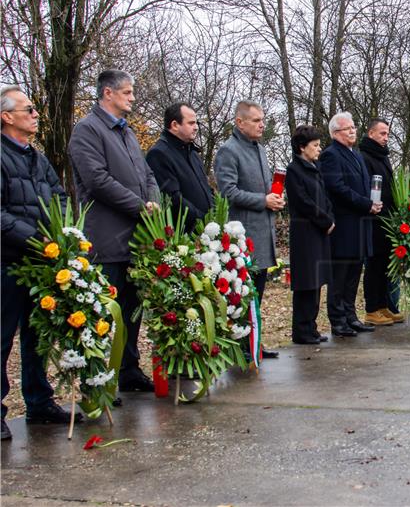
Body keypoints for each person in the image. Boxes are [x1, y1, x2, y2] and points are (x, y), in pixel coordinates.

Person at [68, 70, 160, 393]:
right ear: (107, 93)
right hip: (106, 240)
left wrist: (153, 201)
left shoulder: (128, 134)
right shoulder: (87, 131)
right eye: (127, 92)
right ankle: (100, 379)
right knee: (106, 314)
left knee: (132, 310)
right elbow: (97, 181)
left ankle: (128, 369)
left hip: (135, 240)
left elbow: (146, 174)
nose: (132, 98)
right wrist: (139, 205)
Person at [1, 86, 82, 440]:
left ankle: (38, 402)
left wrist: (62, 233)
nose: (35, 115)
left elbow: (60, 196)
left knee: (38, 336)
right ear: (7, 116)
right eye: (29, 109)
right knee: (2, 337)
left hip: (42, 262)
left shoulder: (37, 157)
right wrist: (37, 238)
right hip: (7, 261)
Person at [213, 100, 282, 359]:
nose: (262, 124)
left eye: (262, 119)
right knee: (242, 295)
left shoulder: (260, 150)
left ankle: (253, 342)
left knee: (257, 293)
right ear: (239, 122)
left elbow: (263, 189)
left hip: (263, 234)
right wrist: (262, 200)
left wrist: (273, 199)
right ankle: (241, 344)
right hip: (243, 237)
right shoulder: (228, 151)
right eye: (255, 120)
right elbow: (228, 192)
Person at [319, 112, 382, 337]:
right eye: (347, 128)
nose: (353, 131)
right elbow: (337, 188)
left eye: (354, 127)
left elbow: (364, 186)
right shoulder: (330, 155)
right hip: (344, 227)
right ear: (336, 133)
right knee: (340, 275)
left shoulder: (355, 154)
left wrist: (373, 203)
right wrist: (366, 204)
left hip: (360, 225)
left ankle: (350, 316)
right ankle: (338, 321)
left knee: (354, 273)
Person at [285, 125, 334, 344]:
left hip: (320, 231)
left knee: (317, 281)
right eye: (315, 145)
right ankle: (301, 330)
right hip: (306, 232)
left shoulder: (315, 167)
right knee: (306, 282)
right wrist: (324, 220)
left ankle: (311, 327)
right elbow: (303, 202)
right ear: (302, 147)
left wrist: (330, 217)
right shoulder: (294, 171)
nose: (319, 149)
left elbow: (324, 196)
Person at [359, 117, 404, 326]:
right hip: (375, 218)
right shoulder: (365, 156)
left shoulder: (383, 156)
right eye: (382, 133)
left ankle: (384, 305)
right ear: (371, 134)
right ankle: (372, 309)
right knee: (374, 265)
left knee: (385, 265)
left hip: (388, 219)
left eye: (387, 133)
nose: (386, 137)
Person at [146, 103, 214, 232]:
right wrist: (203, 221)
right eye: (191, 123)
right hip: (183, 237)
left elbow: (206, 188)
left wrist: (216, 215)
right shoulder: (159, 154)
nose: (196, 128)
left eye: (196, 123)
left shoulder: (192, 153)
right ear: (175, 125)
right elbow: (173, 199)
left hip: (206, 232)